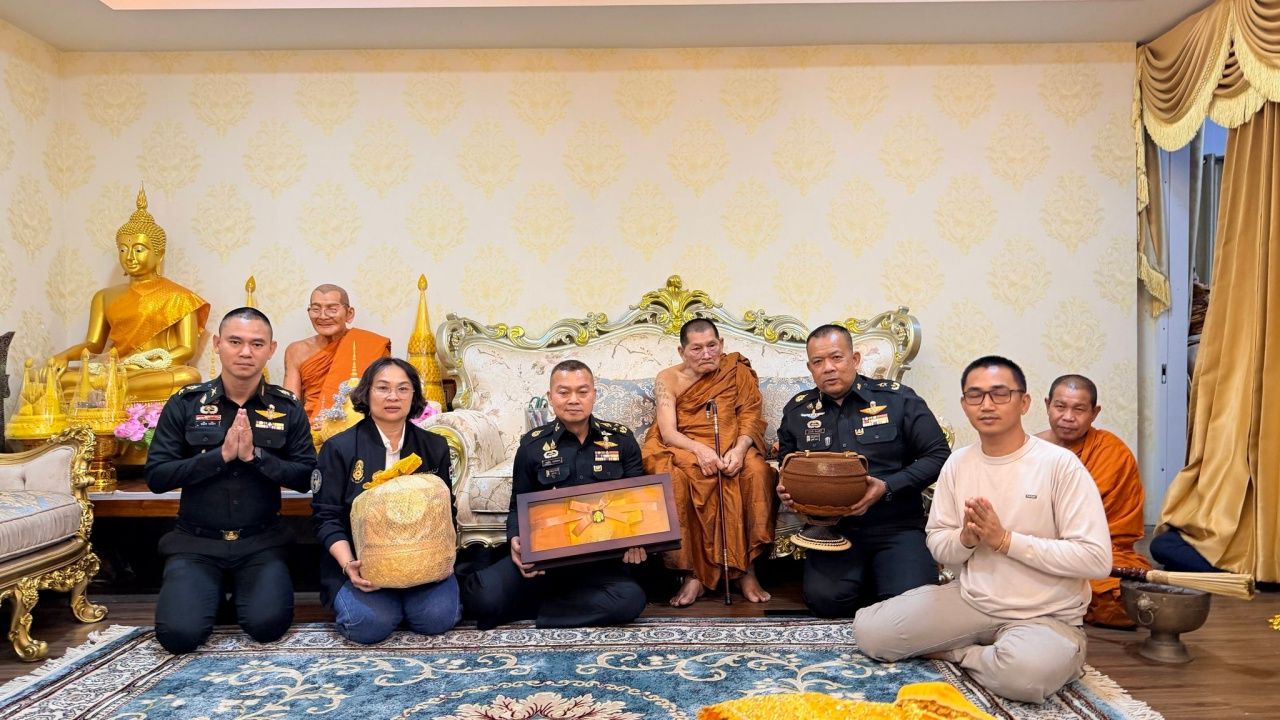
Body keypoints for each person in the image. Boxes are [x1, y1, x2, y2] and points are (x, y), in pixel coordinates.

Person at [854, 356, 1111, 704]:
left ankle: (961, 653)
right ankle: (988, 652)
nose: (987, 405)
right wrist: (965, 540)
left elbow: (1096, 560)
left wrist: (1004, 541)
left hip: (1045, 614)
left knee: (1025, 677)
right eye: (975, 395)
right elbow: (938, 544)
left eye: (1000, 394)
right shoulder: (958, 463)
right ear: (964, 405)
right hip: (972, 600)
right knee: (872, 634)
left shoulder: (1059, 465)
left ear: (1024, 402)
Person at [145, 307, 317, 654]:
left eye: (257, 344)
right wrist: (219, 457)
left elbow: (307, 478)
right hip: (196, 544)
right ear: (217, 344)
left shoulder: (286, 407)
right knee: (179, 636)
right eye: (235, 342)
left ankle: (239, 595)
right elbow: (157, 476)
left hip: (261, 543)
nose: (245, 352)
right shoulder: (186, 403)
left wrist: (256, 457)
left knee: (268, 627)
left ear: (271, 349)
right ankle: (209, 593)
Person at [776, 324, 950, 617]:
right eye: (818, 362)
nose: (828, 368)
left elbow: (939, 455)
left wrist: (887, 487)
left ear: (854, 359)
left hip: (895, 524)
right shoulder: (797, 412)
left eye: (836, 357)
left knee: (912, 607)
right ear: (810, 368)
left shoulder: (898, 400)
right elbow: (787, 464)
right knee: (826, 602)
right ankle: (876, 581)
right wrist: (787, 489)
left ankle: (888, 578)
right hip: (832, 530)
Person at [460, 360, 649, 629]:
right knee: (481, 596)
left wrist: (638, 540)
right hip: (545, 559)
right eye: (564, 392)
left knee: (630, 600)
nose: (573, 400)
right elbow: (517, 504)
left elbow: (638, 500)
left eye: (582, 391)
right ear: (550, 397)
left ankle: (538, 609)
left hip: (602, 561)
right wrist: (515, 538)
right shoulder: (533, 445)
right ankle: (567, 605)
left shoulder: (621, 440)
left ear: (594, 394)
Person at [312, 357, 459, 644]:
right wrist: (348, 563)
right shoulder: (339, 448)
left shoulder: (434, 446)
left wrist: (442, 558)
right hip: (362, 564)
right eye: (383, 388)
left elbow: (446, 510)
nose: (393, 397)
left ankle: (405, 605)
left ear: (414, 395)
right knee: (368, 625)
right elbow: (325, 517)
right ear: (366, 393)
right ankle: (387, 607)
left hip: (422, 562)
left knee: (437, 618)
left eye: (403, 389)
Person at [642, 319, 775, 607]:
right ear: (682, 352)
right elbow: (668, 432)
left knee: (756, 472)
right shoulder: (668, 378)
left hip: (734, 445)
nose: (706, 354)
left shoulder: (737, 370)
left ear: (721, 344)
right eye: (696, 348)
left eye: (712, 346)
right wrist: (700, 450)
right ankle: (694, 575)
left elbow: (750, 417)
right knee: (678, 477)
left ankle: (747, 569)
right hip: (685, 446)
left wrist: (739, 450)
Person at [50, 186, 209, 404]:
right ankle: (108, 388)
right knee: (54, 378)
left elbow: (186, 350)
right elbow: (94, 344)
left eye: (139, 249)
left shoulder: (180, 297)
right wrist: (64, 356)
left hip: (152, 371)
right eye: (123, 249)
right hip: (115, 369)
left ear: (159, 255)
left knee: (188, 376)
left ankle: (111, 390)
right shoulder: (103, 297)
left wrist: (142, 363)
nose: (130, 257)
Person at [1036, 374, 1149, 628]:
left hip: (1096, 552)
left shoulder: (1111, 451)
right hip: (1040, 550)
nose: (1068, 417)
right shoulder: (1029, 449)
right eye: (1060, 406)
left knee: (1120, 598)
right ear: (1047, 405)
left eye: (1079, 409)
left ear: (1094, 413)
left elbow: (1112, 532)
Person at [284, 284, 391, 424]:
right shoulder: (296, 350)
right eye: (316, 309)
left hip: (358, 428)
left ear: (349, 314)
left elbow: (383, 398)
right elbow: (291, 406)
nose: (322, 316)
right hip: (310, 428)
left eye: (332, 309)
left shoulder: (371, 345)